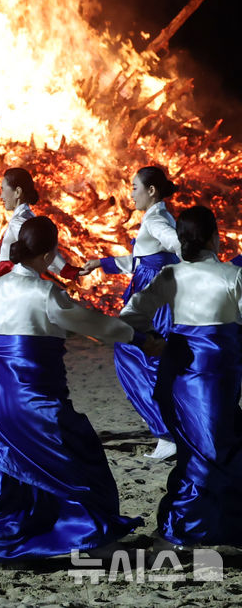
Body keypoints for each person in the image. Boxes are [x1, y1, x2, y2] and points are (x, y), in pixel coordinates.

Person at [0, 216, 155, 567]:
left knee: (0, 468)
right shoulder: (46, 294)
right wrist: (138, 338)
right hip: (37, 395)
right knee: (79, 457)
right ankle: (92, 537)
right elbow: (94, 324)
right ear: (47, 255)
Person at [120, 205, 242, 548]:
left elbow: (130, 315)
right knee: (212, 450)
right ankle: (191, 527)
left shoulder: (171, 275)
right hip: (213, 376)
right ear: (215, 238)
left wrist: (150, 340)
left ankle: (196, 524)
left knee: (198, 449)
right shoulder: (231, 276)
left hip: (176, 373)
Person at [80, 166, 181, 460]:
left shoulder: (157, 219)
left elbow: (178, 245)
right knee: (149, 359)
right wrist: (101, 263)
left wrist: (194, 264)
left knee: (137, 358)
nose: (131, 193)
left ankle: (167, 432)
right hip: (157, 297)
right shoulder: (158, 216)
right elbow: (142, 260)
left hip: (153, 301)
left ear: (152, 190)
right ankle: (172, 429)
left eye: (135, 187)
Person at [0, 167, 79, 387]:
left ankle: (3, 396)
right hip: (5, 294)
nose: (0, 195)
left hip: (9, 296)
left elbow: (43, 248)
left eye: (3, 189)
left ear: (18, 191)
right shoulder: (19, 219)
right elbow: (0, 260)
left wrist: (68, 271)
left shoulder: (21, 221)